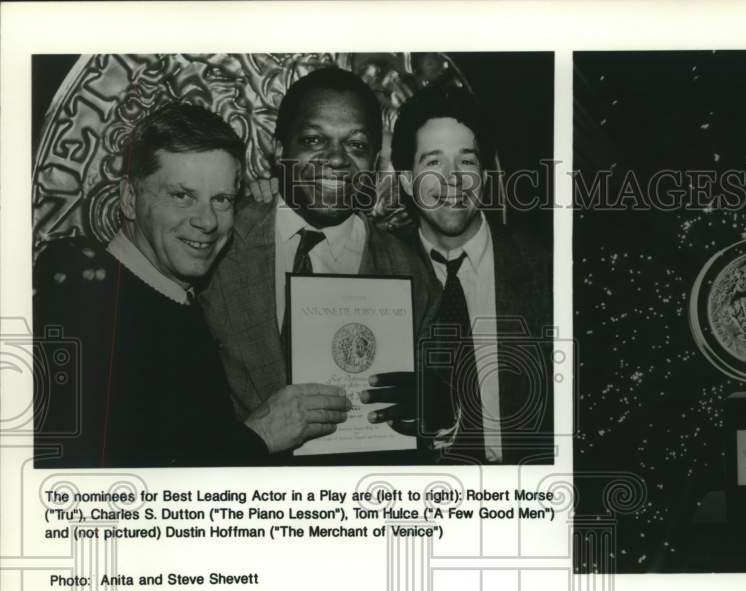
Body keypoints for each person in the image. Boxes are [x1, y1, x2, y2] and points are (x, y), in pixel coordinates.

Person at [33, 103, 350, 467]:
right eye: (182, 196)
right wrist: (258, 435)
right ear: (129, 199)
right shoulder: (84, 299)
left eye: (222, 199)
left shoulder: (176, 298)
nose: (207, 221)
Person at [198, 66, 427, 440]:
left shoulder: (410, 272)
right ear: (278, 149)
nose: (336, 160)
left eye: (356, 145)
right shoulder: (215, 243)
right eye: (313, 140)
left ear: (375, 161)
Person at [390, 84, 553, 464]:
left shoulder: (544, 266)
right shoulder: (379, 268)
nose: (453, 179)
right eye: (433, 163)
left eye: (466, 161)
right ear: (405, 180)